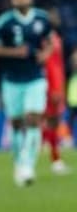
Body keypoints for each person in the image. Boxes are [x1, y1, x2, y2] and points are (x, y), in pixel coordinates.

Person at [0, 0, 54, 186]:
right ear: (12, 1)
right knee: (16, 123)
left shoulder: (42, 18)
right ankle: (18, 162)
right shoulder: (4, 22)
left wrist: (45, 54)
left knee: (33, 119)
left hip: (35, 78)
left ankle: (28, 164)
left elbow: (51, 41)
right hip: (12, 80)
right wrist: (14, 52)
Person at [42, 11, 69, 175]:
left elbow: (58, 65)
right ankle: (55, 159)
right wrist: (53, 87)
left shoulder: (54, 37)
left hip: (57, 84)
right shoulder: (46, 39)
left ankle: (50, 150)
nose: (57, 17)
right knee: (51, 121)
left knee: (52, 121)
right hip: (51, 86)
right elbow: (49, 65)